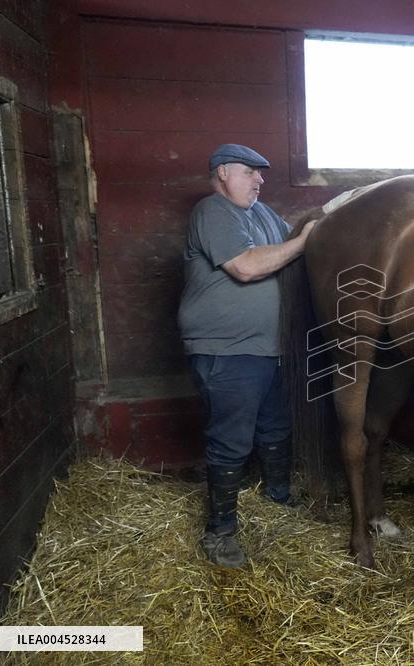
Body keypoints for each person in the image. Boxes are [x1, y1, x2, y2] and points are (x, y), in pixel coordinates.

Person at [178, 144, 316, 568]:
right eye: (251, 172)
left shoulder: (261, 212)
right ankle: (219, 532)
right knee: (232, 437)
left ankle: (278, 498)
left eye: (262, 173)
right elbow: (247, 267)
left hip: (268, 347)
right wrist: (309, 238)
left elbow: (290, 242)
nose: (260, 180)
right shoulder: (213, 210)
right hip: (227, 348)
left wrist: (317, 227)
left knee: (275, 425)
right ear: (223, 174)